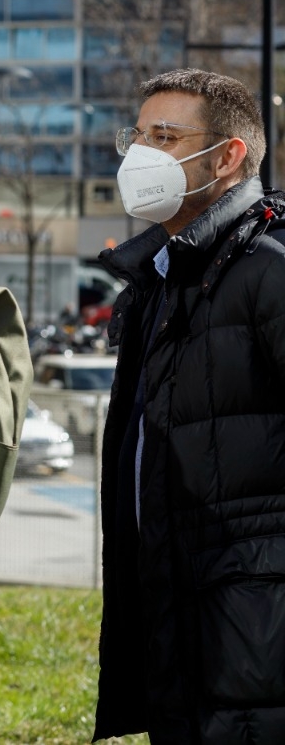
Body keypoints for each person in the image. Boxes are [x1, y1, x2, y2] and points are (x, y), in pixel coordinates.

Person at [94, 69, 285, 743]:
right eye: (137, 135)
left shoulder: (268, 266)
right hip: (184, 624)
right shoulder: (168, 277)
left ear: (228, 155)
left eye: (166, 136)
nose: (139, 154)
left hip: (257, 636)